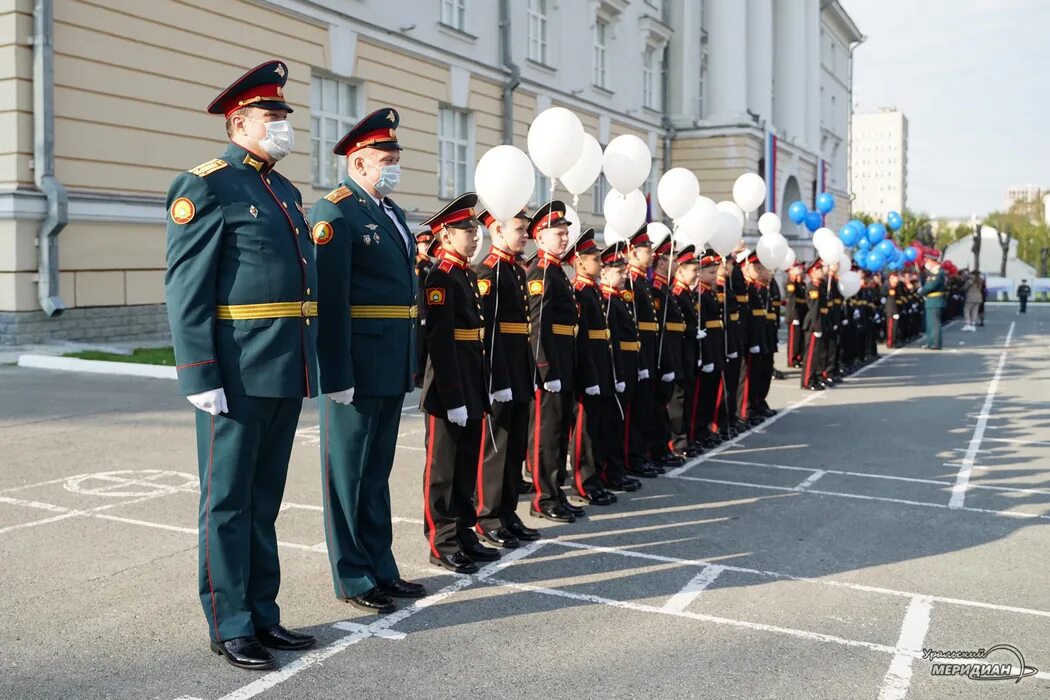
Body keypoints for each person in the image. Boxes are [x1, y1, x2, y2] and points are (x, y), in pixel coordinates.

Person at [165, 60, 317, 670]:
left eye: (284, 116)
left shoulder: (284, 191)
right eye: (272, 117)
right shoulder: (206, 185)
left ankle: (263, 613)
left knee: (264, 499)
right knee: (226, 502)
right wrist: (199, 374)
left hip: (280, 368)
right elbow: (187, 287)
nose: (283, 126)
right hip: (234, 370)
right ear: (239, 122)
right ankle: (229, 623)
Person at [312, 107, 425, 616]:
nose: (394, 165)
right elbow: (329, 302)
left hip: (389, 360)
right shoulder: (335, 212)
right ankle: (353, 574)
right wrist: (335, 373)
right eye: (386, 158)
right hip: (356, 363)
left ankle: (381, 566)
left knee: (376, 472)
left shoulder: (392, 213)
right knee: (348, 475)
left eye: (396, 157)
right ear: (358, 162)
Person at [417, 194, 498, 573]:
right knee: (444, 469)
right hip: (448, 386)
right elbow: (440, 341)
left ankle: (464, 533)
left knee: (466, 465)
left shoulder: (464, 272)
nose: (474, 236)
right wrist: (452, 397)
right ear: (445, 235)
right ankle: (442, 540)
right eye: (467, 230)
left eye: (474, 229)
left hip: (471, 379)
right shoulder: (441, 276)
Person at [474, 208, 541, 548]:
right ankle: (488, 516)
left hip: (518, 368)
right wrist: (496, 377)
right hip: (500, 373)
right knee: (496, 448)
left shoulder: (514, 270)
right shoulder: (488, 272)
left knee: (515, 446)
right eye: (520, 228)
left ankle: (508, 512)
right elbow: (488, 333)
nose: (526, 234)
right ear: (498, 231)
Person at [526, 201, 586, 522]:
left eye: (566, 233)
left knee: (561, 428)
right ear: (539, 238)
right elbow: (537, 325)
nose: (564, 238)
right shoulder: (540, 270)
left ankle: (556, 490)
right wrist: (545, 367)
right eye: (558, 233)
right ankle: (543, 497)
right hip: (550, 360)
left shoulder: (558, 271)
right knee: (547, 431)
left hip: (565, 354)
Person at [565, 228, 619, 506]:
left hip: (601, 367)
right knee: (584, 432)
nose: (601, 264)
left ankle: (595, 477)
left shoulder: (593, 291)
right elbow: (582, 339)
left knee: (597, 427)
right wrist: (589, 375)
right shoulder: (580, 292)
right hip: (588, 372)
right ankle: (582, 483)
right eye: (596, 259)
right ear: (580, 262)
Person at [599, 243, 645, 492]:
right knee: (613, 422)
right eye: (618, 270)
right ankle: (611, 471)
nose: (624, 274)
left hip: (627, 364)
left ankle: (617, 468)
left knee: (622, 419)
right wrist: (616, 372)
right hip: (616, 367)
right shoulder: (606, 299)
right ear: (604, 272)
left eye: (624, 269)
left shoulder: (616, 298)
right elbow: (610, 342)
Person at [800, 260, 828, 391]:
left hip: (818, 322)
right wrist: (817, 327)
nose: (822, 272)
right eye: (820, 269)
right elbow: (814, 309)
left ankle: (814, 378)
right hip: (813, 324)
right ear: (813, 272)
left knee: (816, 353)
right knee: (811, 354)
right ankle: (807, 381)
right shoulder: (812, 287)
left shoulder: (818, 286)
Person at [918, 254, 947, 350]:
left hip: (935, 301)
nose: (926, 264)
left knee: (934, 323)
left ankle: (935, 343)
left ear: (932, 261)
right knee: (930, 324)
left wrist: (921, 291)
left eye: (927, 261)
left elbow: (931, 286)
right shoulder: (933, 273)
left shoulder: (938, 272)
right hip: (931, 301)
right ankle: (931, 342)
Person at [783, 263, 806, 368]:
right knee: (794, 340)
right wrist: (795, 317)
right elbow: (792, 300)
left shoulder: (800, 283)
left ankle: (798, 358)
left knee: (800, 339)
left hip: (801, 313)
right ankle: (791, 360)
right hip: (794, 315)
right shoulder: (790, 283)